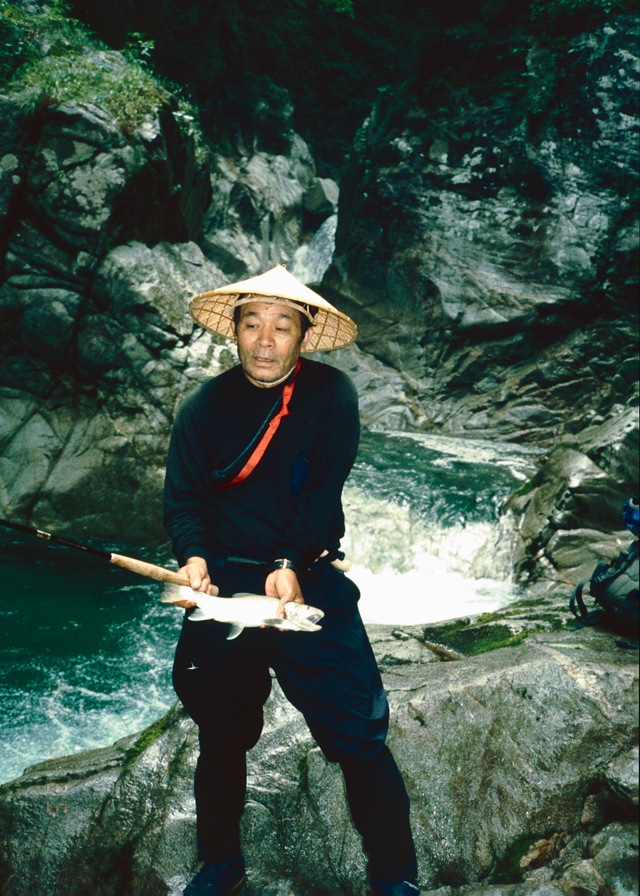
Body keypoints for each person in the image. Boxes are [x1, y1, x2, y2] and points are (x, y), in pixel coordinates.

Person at [163, 265, 419, 896]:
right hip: (225, 588)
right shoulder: (202, 407)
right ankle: (220, 862)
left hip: (306, 573)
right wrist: (193, 557)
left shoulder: (332, 395)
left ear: (304, 333)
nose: (266, 340)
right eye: (252, 324)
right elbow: (184, 500)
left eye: (282, 325)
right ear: (236, 332)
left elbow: (323, 495)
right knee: (220, 734)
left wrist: (285, 563)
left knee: (359, 734)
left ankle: (395, 877)